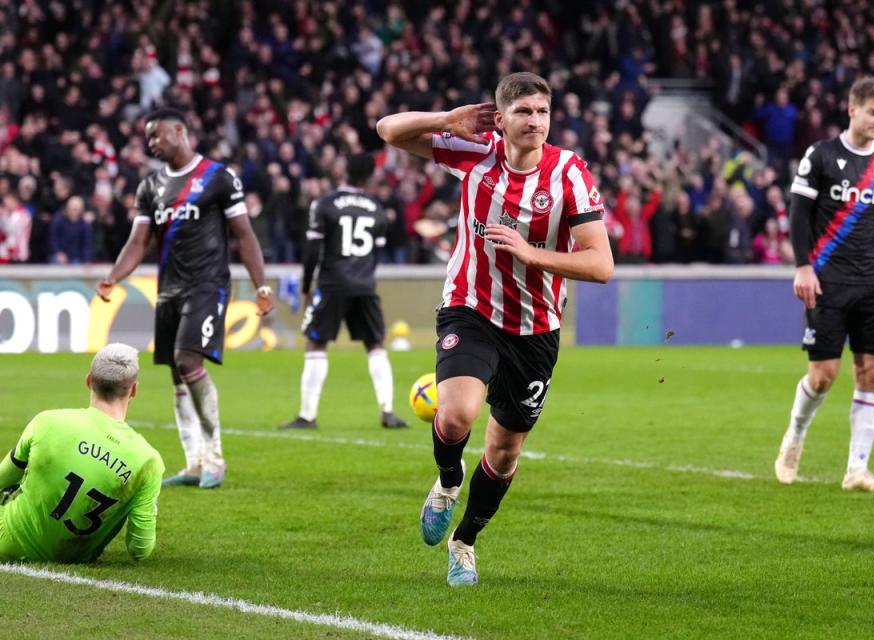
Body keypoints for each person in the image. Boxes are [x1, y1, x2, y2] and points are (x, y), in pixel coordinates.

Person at [377, 72, 614, 586]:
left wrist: (531, 254)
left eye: (543, 112)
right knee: (457, 411)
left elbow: (601, 265)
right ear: (501, 118)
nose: (535, 121)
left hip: (536, 328)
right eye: (524, 112)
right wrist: (445, 119)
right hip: (471, 308)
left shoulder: (569, 174)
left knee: (505, 452)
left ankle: (464, 542)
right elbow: (387, 129)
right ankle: (446, 481)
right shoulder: (475, 152)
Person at [97, 108, 274, 490]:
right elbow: (138, 242)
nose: (151, 144)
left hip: (207, 284)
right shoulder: (150, 187)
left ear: (179, 130)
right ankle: (193, 462)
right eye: (147, 138)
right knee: (177, 375)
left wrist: (261, 285)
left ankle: (215, 457)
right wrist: (114, 276)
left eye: (156, 135)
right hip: (169, 289)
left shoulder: (218, 177)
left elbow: (243, 235)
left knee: (187, 359)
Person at [775, 76, 874, 492]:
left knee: (871, 374)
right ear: (853, 109)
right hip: (828, 282)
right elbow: (798, 214)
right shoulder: (820, 156)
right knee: (823, 375)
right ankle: (795, 436)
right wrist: (803, 266)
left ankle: (857, 469)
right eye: (873, 113)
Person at [277, 153, 408, 430]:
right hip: (364, 285)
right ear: (369, 177)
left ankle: (307, 415)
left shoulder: (325, 204)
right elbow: (375, 254)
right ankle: (388, 410)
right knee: (375, 345)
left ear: (344, 171)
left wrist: (305, 287)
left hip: (333, 284)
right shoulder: (376, 208)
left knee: (316, 344)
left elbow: (313, 251)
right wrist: (364, 278)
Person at [0, 344, 164, 562]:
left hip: (6, 543)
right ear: (134, 390)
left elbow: (4, 479)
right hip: (73, 557)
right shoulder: (148, 461)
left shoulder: (47, 422)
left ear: (88, 381)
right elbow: (139, 549)